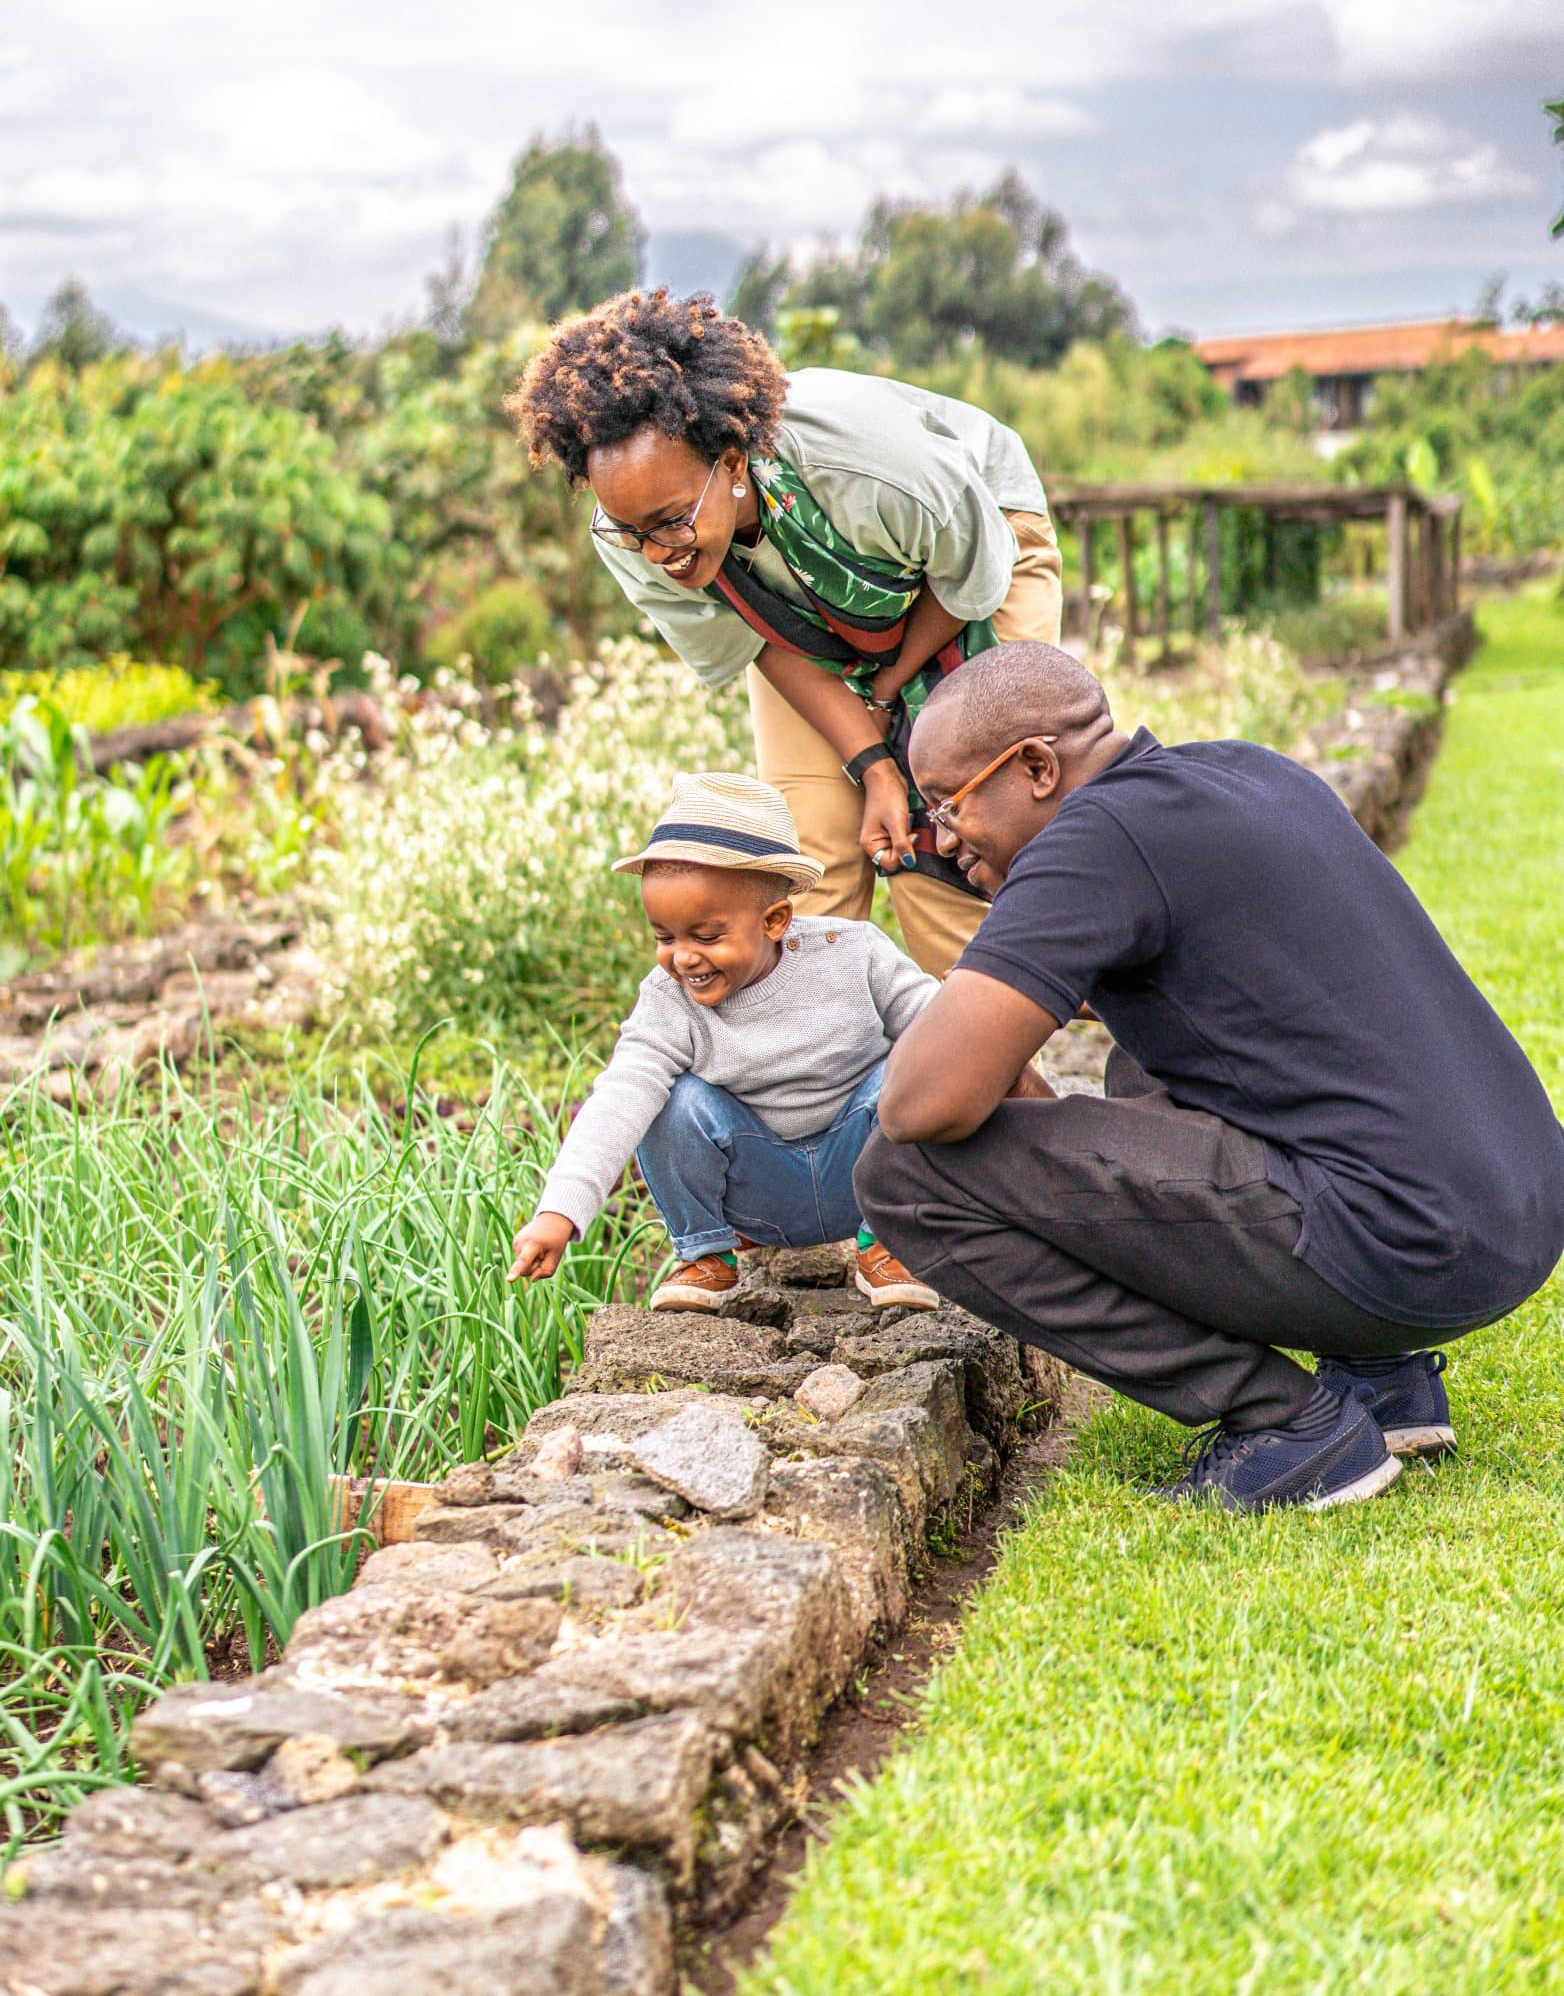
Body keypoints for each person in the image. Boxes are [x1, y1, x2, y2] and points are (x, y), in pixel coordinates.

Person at [854, 642, 1564, 1512]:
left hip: (1402, 1246)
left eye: (946, 803)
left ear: (1037, 765)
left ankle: (1292, 1426)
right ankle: (1385, 1381)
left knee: (904, 1174)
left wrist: (1015, 936)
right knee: (1140, 1057)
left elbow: (923, 1104)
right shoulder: (1246, 771)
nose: (940, 838)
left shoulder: (1094, 840)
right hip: (1516, 1219)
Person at [509, 288, 1060, 980]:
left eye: (672, 520)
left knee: (973, 829)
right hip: (801, 633)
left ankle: (1063, 1006)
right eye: (633, 531)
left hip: (976, 553)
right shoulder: (631, 533)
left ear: (733, 464)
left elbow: (971, 582)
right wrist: (873, 763)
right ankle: (822, 1065)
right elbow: (761, 642)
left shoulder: (872, 468)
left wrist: (886, 694)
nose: (655, 553)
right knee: (810, 866)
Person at [509, 770, 943, 1312]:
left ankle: (889, 1242)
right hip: (756, 1194)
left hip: (863, 1175)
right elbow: (620, 1096)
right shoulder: (669, 1000)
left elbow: (942, 1026)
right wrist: (560, 1212)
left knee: (916, 1062)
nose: (683, 957)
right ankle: (705, 1253)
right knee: (668, 1100)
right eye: (664, 937)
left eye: (707, 936)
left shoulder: (854, 954)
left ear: (775, 920)